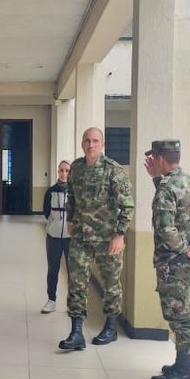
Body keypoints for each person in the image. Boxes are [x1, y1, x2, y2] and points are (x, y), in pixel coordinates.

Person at [60, 127, 135, 350]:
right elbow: (71, 196)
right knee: (76, 283)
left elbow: (127, 205)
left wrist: (120, 235)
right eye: (87, 141)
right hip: (81, 237)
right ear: (82, 143)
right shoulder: (76, 168)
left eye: (95, 141)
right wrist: (71, 220)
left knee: (111, 283)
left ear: (102, 144)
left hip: (107, 238)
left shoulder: (114, 170)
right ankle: (76, 332)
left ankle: (110, 327)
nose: (90, 145)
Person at [142, 140, 190, 379]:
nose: (153, 162)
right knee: (180, 310)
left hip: (173, 261)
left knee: (179, 313)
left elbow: (166, 228)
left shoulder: (167, 187)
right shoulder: (188, 181)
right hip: (182, 262)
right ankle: (181, 363)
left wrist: (184, 249)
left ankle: (185, 370)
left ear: (160, 158)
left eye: (154, 158)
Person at [41, 160, 72, 314]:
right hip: (53, 237)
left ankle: (73, 303)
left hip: (71, 237)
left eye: (67, 170)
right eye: (61, 170)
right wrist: (55, 224)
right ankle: (51, 300)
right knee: (53, 269)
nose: (64, 173)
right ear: (58, 172)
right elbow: (46, 211)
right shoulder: (50, 191)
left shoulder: (76, 191)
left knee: (73, 271)